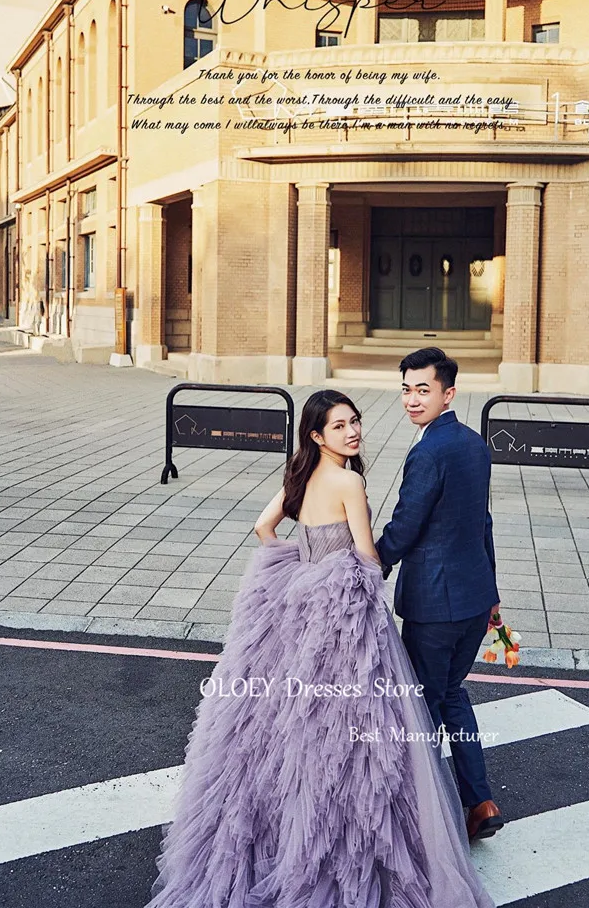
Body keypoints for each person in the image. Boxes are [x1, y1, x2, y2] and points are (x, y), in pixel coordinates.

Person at [146, 389, 494, 908]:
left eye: (354, 422)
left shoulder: (299, 474)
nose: (353, 432)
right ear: (316, 434)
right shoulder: (350, 481)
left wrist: (303, 568)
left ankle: (274, 835)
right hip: (343, 618)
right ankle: (350, 842)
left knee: (278, 724)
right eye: (339, 426)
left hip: (297, 608)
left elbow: (264, 528)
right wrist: (354, 573)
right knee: (353, 731)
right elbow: (368, 557)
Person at [375, 347, 504, 841]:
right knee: (451, 694)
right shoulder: (473, 445)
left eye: (422, 390)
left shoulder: (428, 451)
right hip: (473, 599)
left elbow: (407, 525)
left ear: (448, 393)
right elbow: (482, 523)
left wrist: (373, 563)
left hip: (435, 605)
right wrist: (491, 590)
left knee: (423, 706)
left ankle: (426, 816)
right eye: (406, 389)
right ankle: (480, 800)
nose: (411, 399)